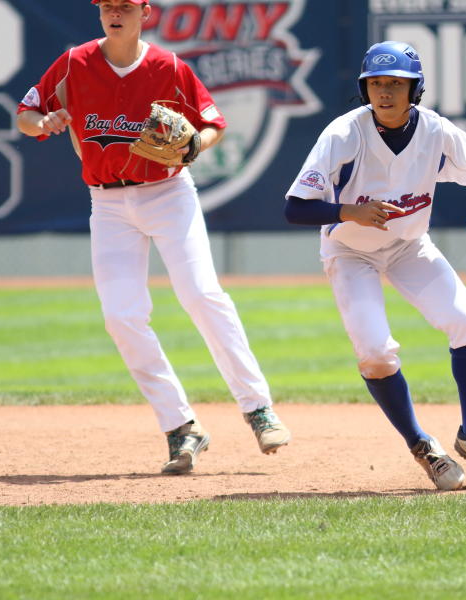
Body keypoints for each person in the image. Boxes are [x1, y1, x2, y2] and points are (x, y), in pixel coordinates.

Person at [16, 0, 290, 475]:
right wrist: (43, 123)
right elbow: (26, 113)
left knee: (201, 294)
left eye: (124, 5)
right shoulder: (73, 64)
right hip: (107, 204)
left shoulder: (168, 67)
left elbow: (212, 123)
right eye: (107, 6)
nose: (114, 13)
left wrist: (193, 145)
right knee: (121, 317)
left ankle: (257, 408)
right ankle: (181, 427)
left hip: (167, 194)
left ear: (145, 12)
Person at [284, 41, 466, 491]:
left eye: (395, 84)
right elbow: (295, 208)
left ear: (415, 89)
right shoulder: (343, 134)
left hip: (409, 246)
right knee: (374, 353)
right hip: (351, 252)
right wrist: (349, 211)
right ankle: (421, 444)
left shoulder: (435, 131)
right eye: (375, 83)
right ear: (364, 88)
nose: (384, 92)